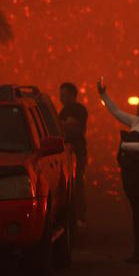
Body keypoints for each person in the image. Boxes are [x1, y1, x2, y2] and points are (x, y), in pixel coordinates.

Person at [97, 79, 139, 264]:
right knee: (138, 214)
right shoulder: (137, 121)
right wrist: (103, 94)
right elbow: (116, 112)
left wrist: (124, 145)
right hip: (134, 175)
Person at [58, 82, 89, 226]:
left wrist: (63, 124)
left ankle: (79, 217)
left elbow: (75, 128)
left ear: (72, 95)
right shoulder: (64, 111)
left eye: (64, 94)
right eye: (61, 94)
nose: (61, 97)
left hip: (77, 151)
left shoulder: (79, 110)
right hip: (67, 152)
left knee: (77, 183)